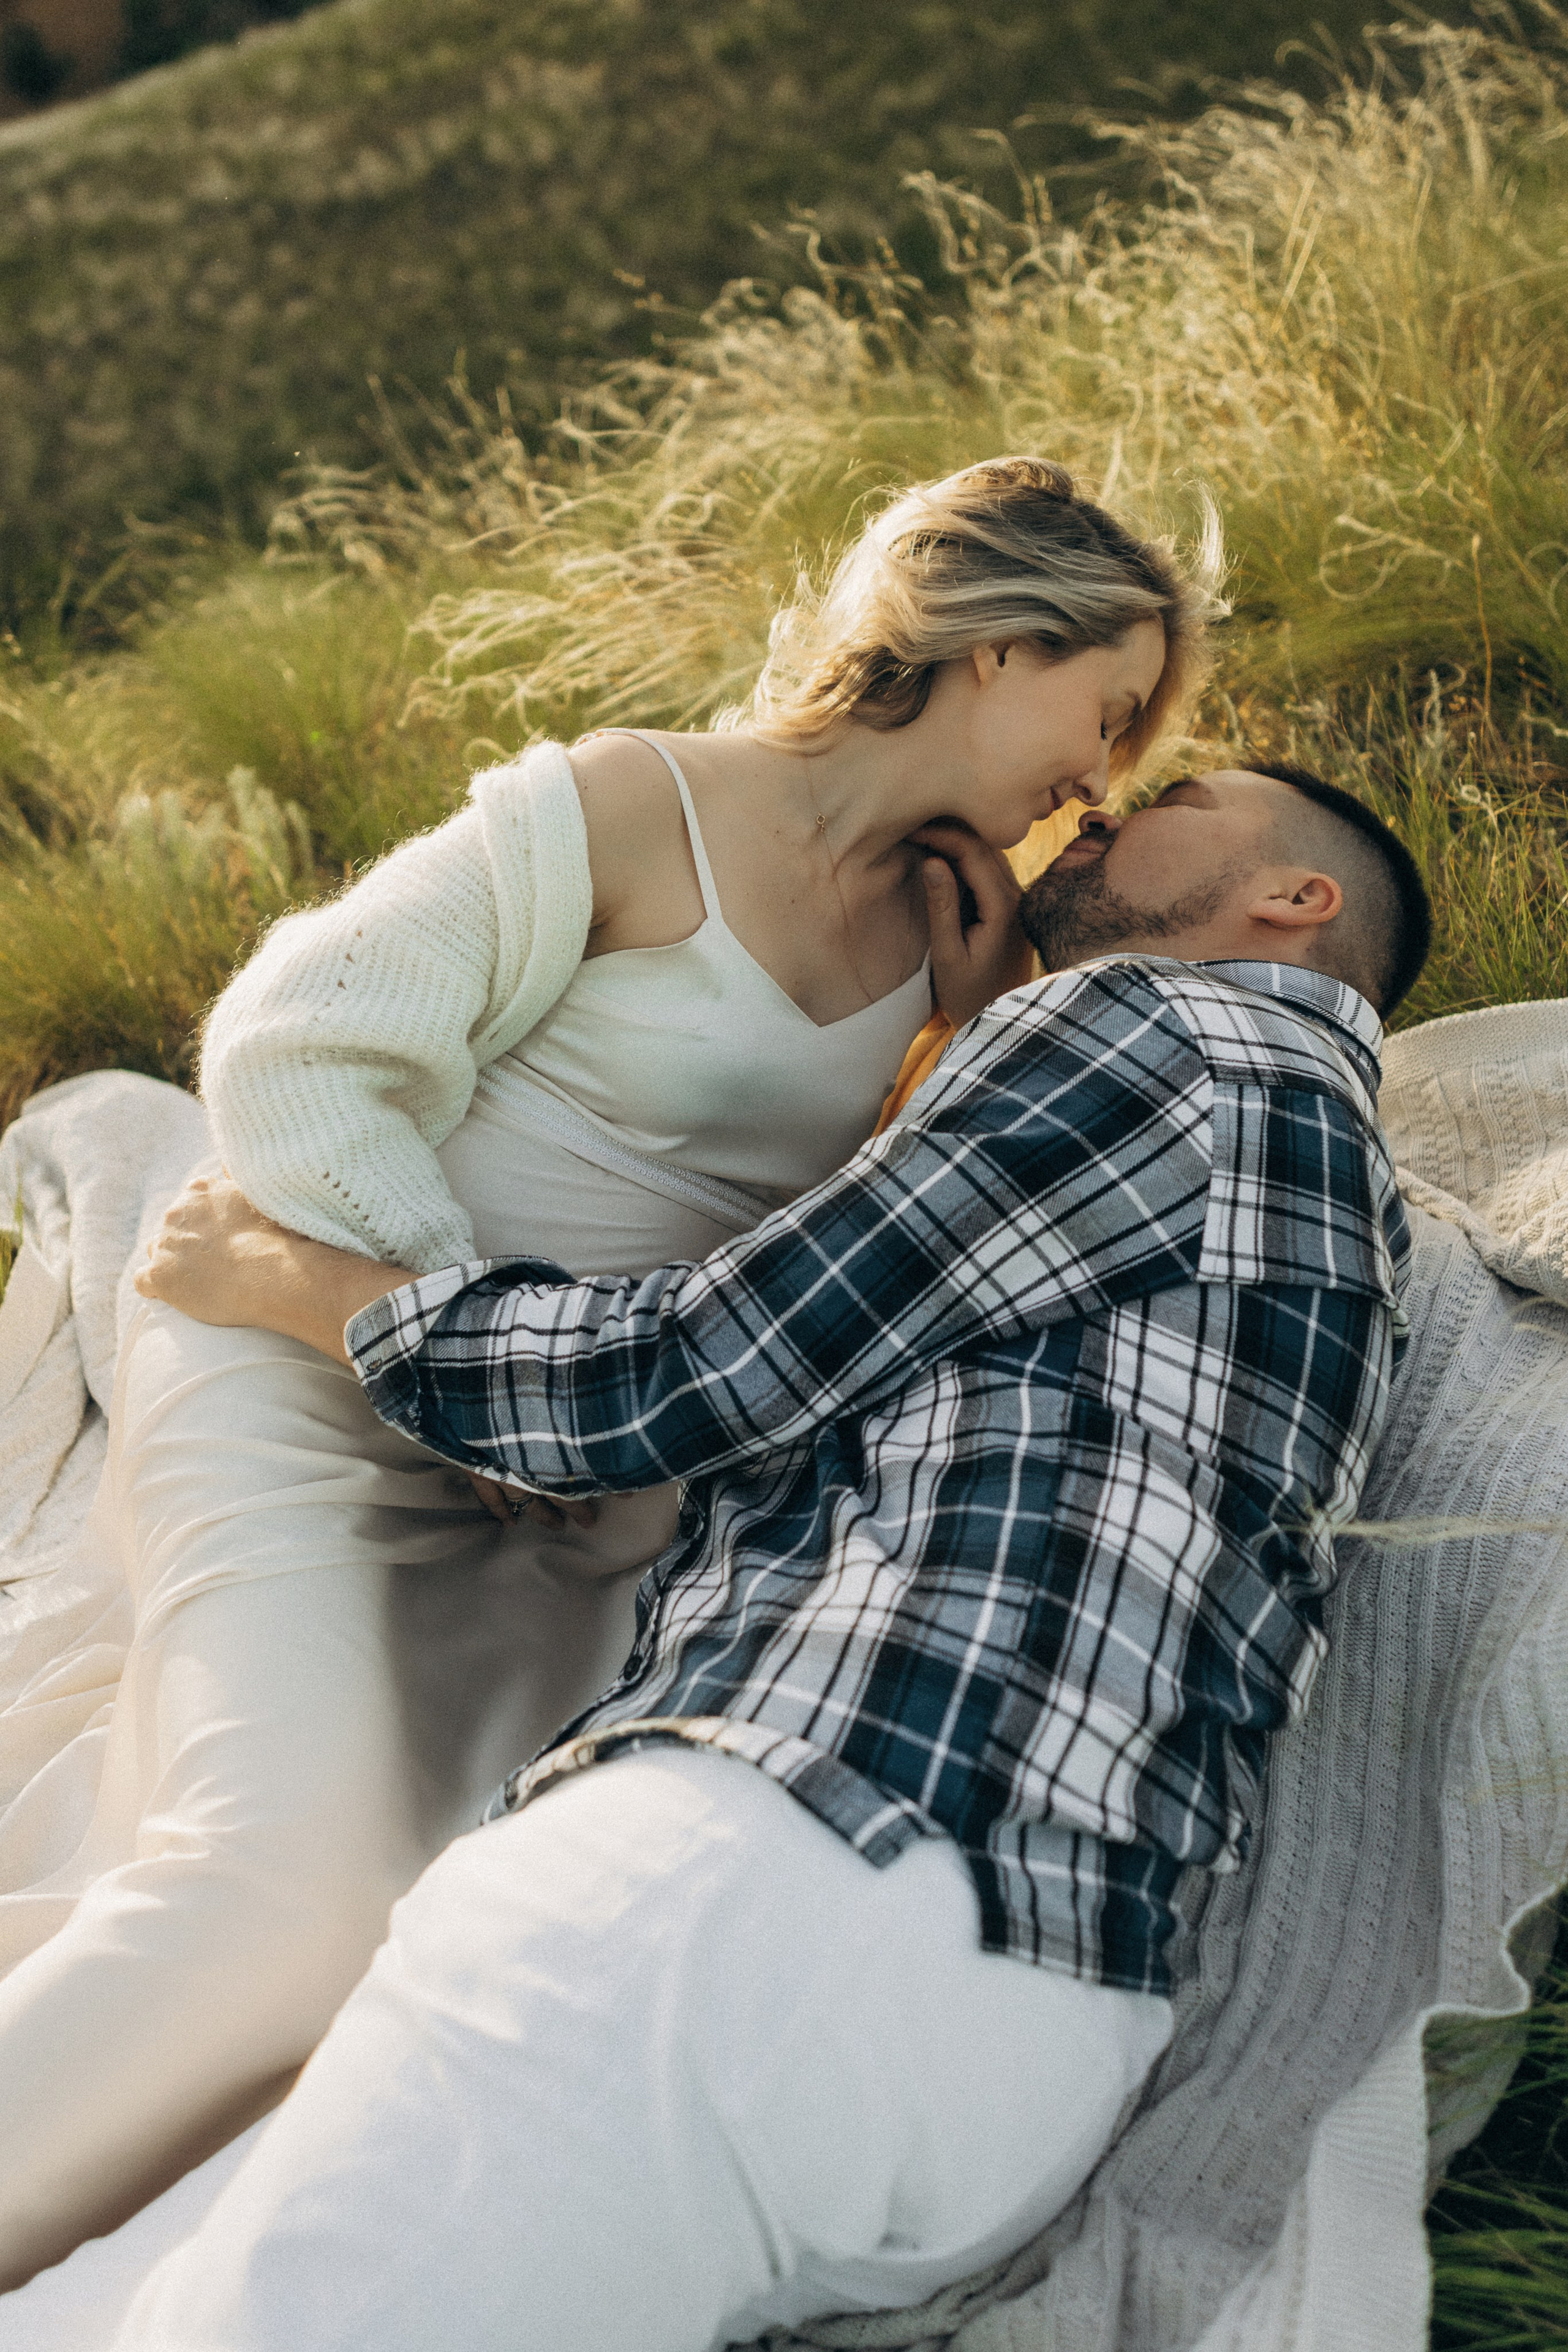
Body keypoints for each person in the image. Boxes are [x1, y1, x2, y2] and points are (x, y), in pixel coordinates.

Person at [0, 456, 1213, 2293]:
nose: (1100, 779)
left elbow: (849, 1275)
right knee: (280, 1888)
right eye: (1103, 712)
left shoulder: (958, 946)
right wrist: (443, 1341)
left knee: (454, 1906)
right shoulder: (638, 802)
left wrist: (957, 1042)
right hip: (309, 1350)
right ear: (996, 646)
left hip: (567, 1470)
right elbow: (296, 1043)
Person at [115, 761, 1431, 2352]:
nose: (1101, 803)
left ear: (1294, 899)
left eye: (1175, 793)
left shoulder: (1161, 1035)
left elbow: (684, 1376)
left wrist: (303, 1284)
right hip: (1032, 2028)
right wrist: (962, 1037)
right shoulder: (1318, 1163)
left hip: (798, 1865)